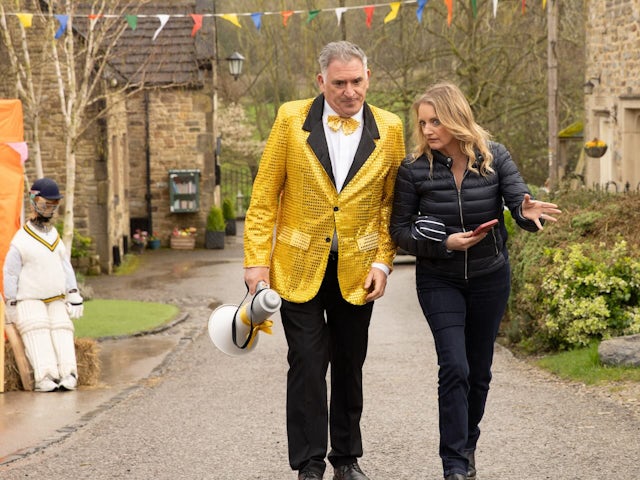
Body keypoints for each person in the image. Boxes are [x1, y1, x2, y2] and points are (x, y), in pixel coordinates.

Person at [243, 41, 405, 480]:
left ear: (368, 78)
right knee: (309, 364)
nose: (350, 92)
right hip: (297, 266)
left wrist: (383, 263)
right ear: (321, 82)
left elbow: (393, 206)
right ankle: (309, 464)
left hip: (360, 269)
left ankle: (346, 459)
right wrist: (255, 262)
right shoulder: (290, 119)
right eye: (339, 83)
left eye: (357, 81)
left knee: (351, 364)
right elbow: (263, 197)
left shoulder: (391, 129)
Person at [389, 82, 560, 480]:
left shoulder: (494, 156)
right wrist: (445, 244)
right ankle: (453, 464)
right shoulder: (414, 169)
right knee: (454, 367)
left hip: (489, 278)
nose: (428, 130)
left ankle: (467, 446)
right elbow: (398, 231)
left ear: (456, 118)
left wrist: (524, 208)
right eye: (423, 122)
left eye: (436, 121)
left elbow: (519, 202)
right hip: (439, 280)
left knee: (479, 371)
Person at [3, 177, 84, 392]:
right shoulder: (21, 239)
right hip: (29, 298)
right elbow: (10, 273)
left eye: (53, 204)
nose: (49, 209)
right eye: (45, 203)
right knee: (36, 328)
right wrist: (11, 302)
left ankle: (68, 373)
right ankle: (45, 376)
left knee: (62, 329)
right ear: (34, 201)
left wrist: (73, 293)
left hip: (56, 296)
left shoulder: (55, 236)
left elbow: (64, 266)